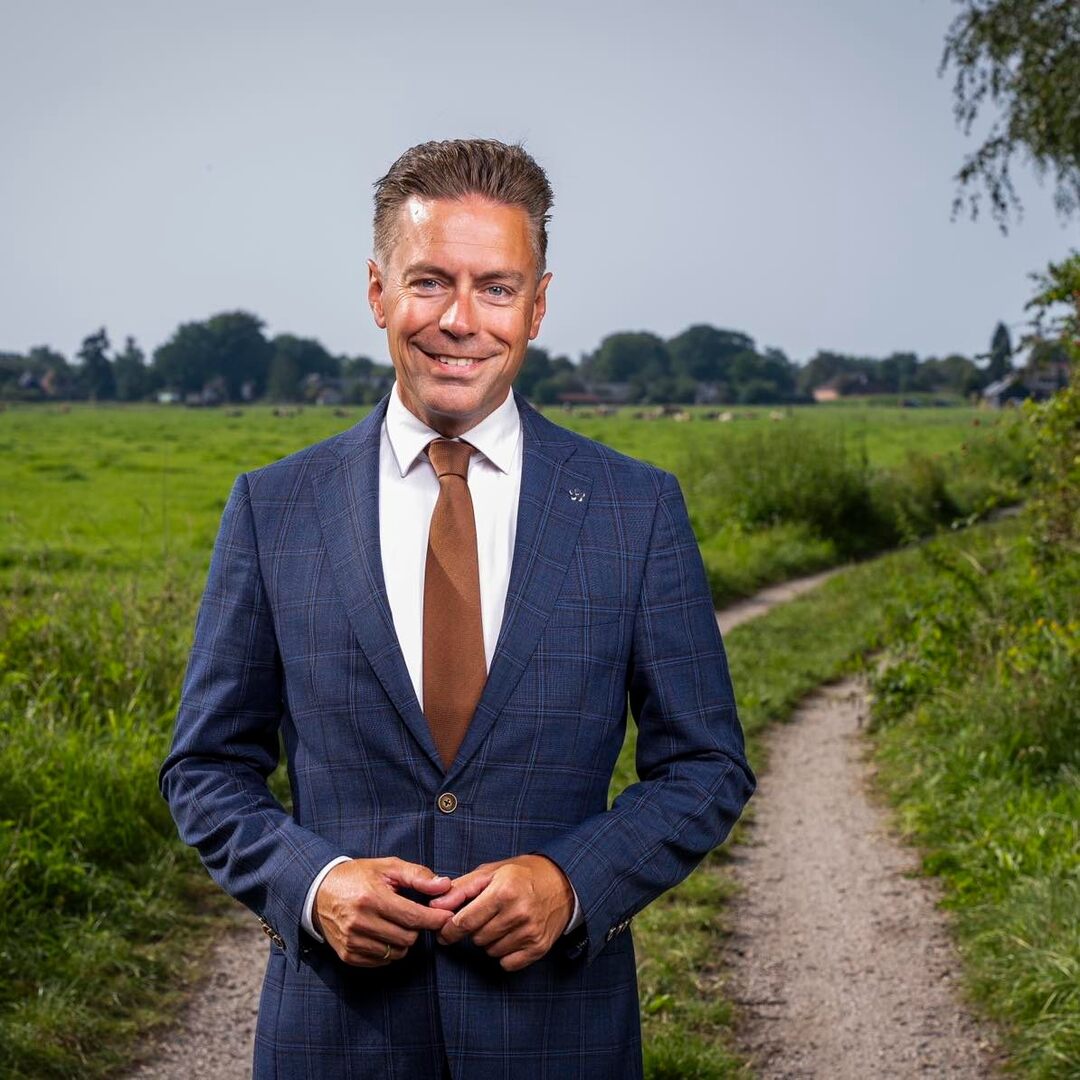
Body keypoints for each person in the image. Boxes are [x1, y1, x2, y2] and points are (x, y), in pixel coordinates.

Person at [160, 138, 755, 1080]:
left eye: (496, 288)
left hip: (558, 1037)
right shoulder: (274, 508)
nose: (460, 321)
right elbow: (205, 767)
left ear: (538, 306)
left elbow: (707, 765)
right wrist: (314, 885)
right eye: (430, 281)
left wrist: (570, 882)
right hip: (335, 1041)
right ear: (377, 292)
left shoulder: (634, 508)